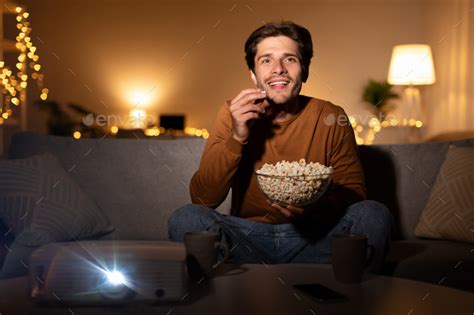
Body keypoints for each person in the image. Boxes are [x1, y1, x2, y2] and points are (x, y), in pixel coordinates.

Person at [168, 21, 392, 272]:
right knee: (186, 217)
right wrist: (237, 136)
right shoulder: (232, 112)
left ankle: (358, 300)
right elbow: (202, 199)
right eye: (266, 60)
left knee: (374, 213)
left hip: (313, 237)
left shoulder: (330, 116)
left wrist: (317, 206)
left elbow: (355, 192)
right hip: (247, 239)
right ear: (253, 74)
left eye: (290, 60)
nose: (278, 70)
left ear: (304, 71)